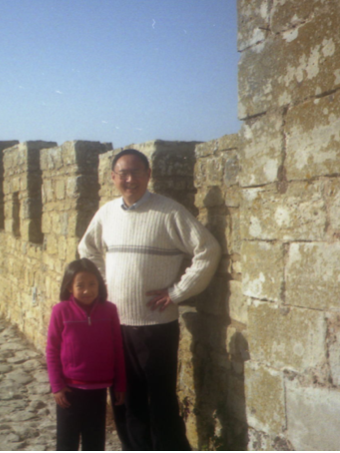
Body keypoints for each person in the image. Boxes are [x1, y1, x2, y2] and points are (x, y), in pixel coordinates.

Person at [78, 149, 221, 450]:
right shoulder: (107, 213)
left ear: (148, 174)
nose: (129, 179)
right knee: (124, 400)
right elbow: (87, 250)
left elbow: (208, 249)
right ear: (113, 177)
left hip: (156, 327)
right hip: (115, 325)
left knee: (160, 401)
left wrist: (177, 293)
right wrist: (104, 283)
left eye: (136, 172)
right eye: (123, 174)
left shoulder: (169, 212)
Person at [46, 258, 127, 451]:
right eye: (80, 285)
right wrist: (57, 386)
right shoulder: (61, 311)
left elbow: (118, 348)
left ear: (100, 285)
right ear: (69, 287)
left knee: (95, 441)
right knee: (67, 442)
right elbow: (52, 350)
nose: (87, 290)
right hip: (68, 391)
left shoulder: (109, 310)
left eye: (92, 284)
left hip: (98, 389)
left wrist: (120, 384)